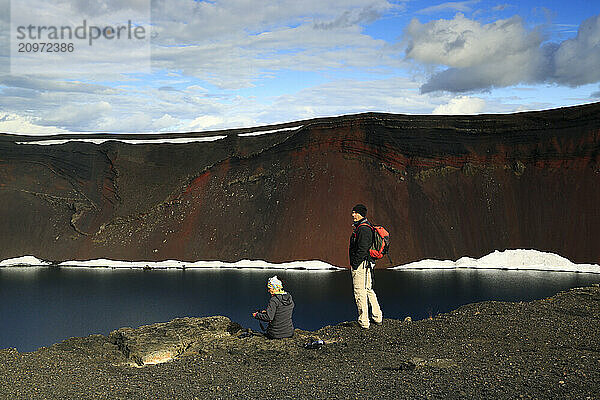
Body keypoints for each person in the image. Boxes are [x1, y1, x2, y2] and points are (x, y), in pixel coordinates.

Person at [349, 204, 383, 329]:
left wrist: (355, 264)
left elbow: (362, 249)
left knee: (360, 292)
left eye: (355, 212)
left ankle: (363, 321)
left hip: (361, 265)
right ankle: (377, 316)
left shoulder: (363, 229)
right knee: (368, 289)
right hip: (367, 264)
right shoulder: (367, 227)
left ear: (360, 214)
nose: (353, 215)